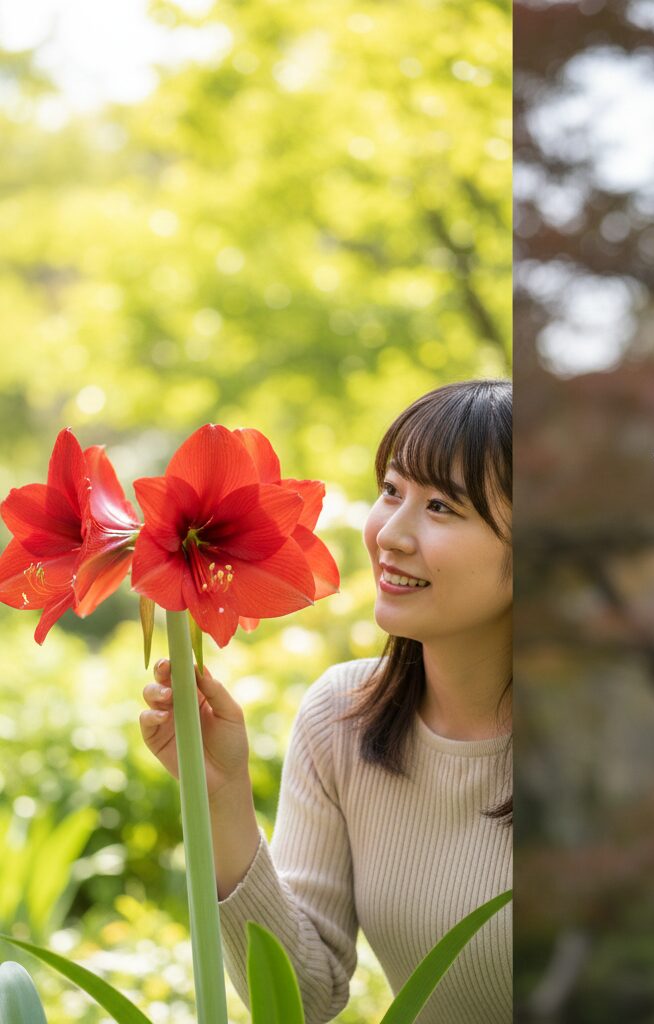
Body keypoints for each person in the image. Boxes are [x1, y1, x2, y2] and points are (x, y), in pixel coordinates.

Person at [139, 379, 512, 1024]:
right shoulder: (343, 714)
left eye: (443, 508)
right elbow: (302, 1000)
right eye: (392, 491)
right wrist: (220, 793)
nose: (389, 534)